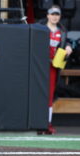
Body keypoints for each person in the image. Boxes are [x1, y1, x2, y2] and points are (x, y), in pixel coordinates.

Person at [38, 5, 72, 135]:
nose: (54, 17)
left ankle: (47, 124)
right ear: (47, 15)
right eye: (52, 14)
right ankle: (37, 123)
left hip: (53, 67)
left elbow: (67, 43)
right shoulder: (39, 29)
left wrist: (68, 47)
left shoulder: (62, 31)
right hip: (39, 66)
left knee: (50, 96)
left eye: (57, 14)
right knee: (38, 94)